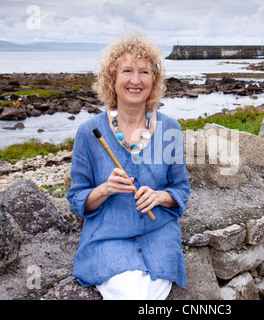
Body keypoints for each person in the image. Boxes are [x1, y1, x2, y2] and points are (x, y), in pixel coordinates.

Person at [66, 32, 191, 300]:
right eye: (127, 71)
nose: (136, 80)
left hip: (159, 235)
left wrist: (159, 196)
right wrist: (105, 189)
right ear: (112, 79)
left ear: (154, 80)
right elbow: (77, 198)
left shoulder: (170, 128)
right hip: (107, 237)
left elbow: (181, 189)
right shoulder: (89, 132)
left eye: (144, 72)